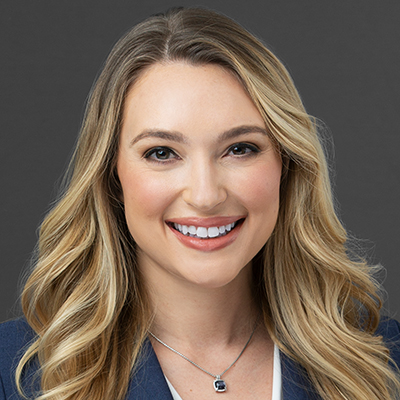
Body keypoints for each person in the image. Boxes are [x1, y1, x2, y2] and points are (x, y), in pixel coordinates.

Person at [0, 6, 399, 400]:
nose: (205, 196)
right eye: (161, 153)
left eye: (240, 148)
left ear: (287, 166)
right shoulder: (11, 372)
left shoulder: (382, 360)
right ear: (112, 177)